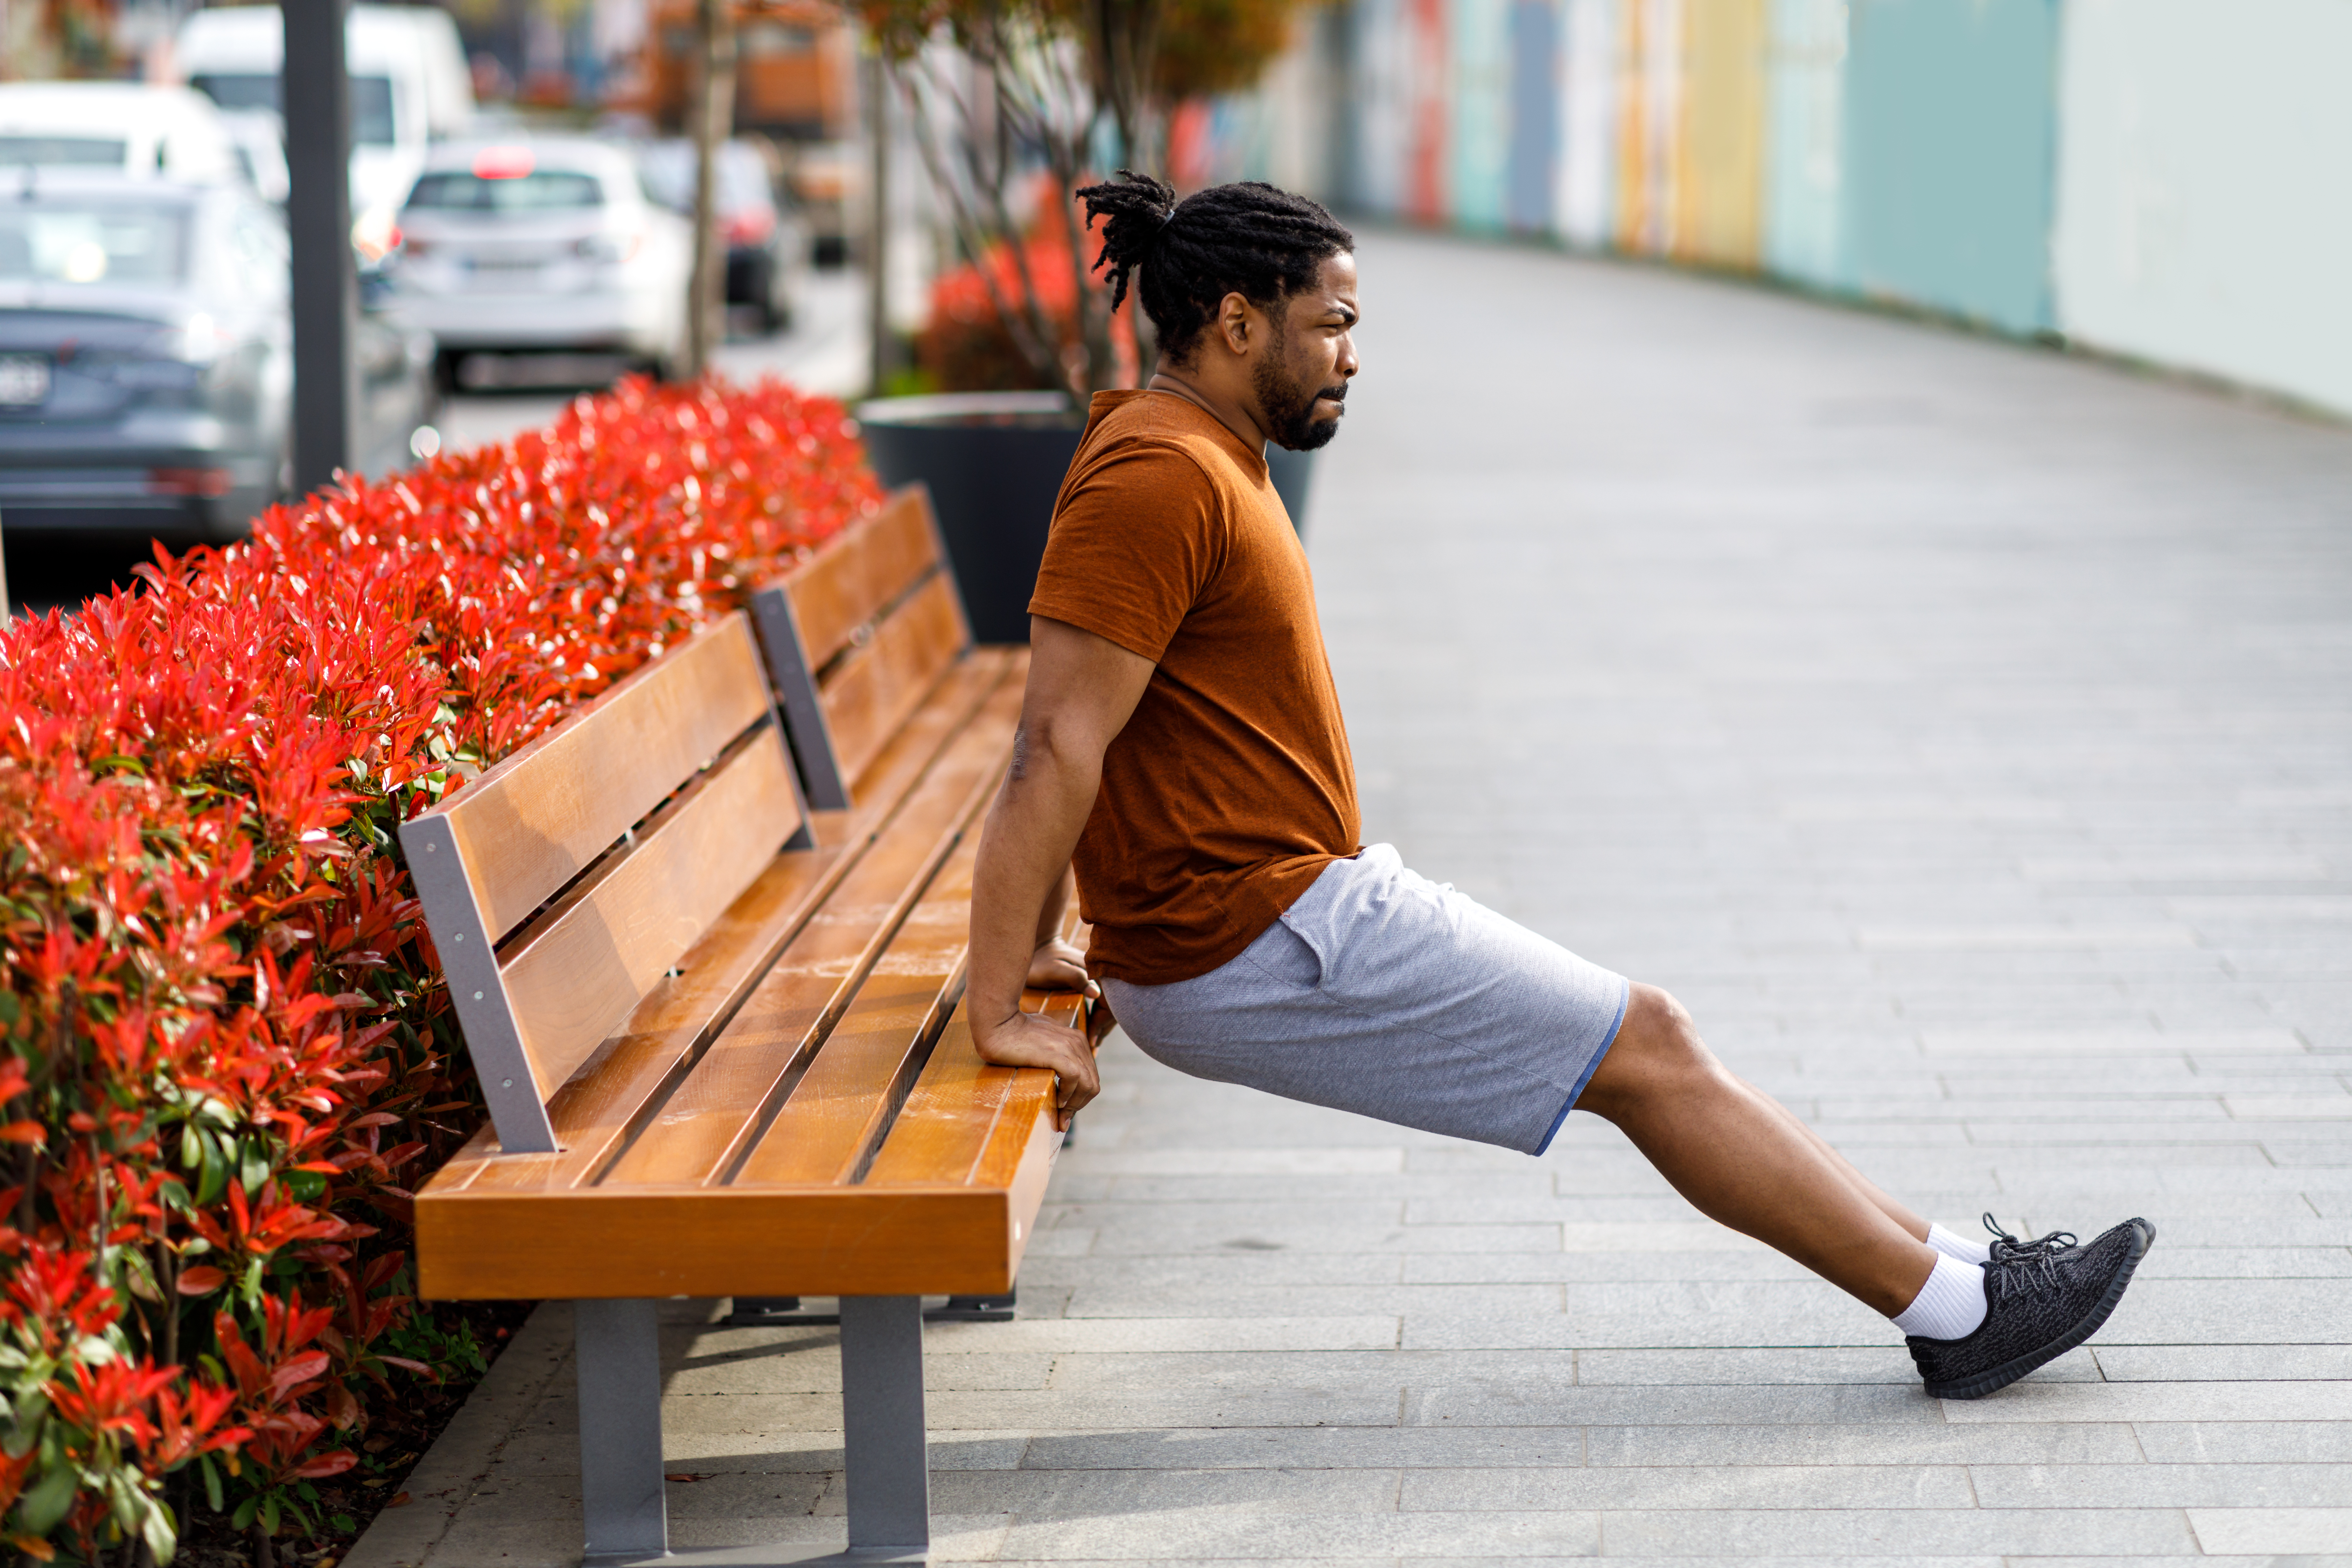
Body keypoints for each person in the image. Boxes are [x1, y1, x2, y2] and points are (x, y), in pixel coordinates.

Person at [963, 170, 2151, 1401]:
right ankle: (1960, 1314)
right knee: (1646, 1046)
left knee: (1654, 1038)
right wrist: (998, 994)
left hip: (1272, 908)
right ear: (1236, 321)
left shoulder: (1199, 451)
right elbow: (1055, 742)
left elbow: (1098, 734)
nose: (1353, 358)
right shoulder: (1159, 477)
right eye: (1332, 324)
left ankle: (1963, 1270)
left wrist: (1055, 935)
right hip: (1251, 931)